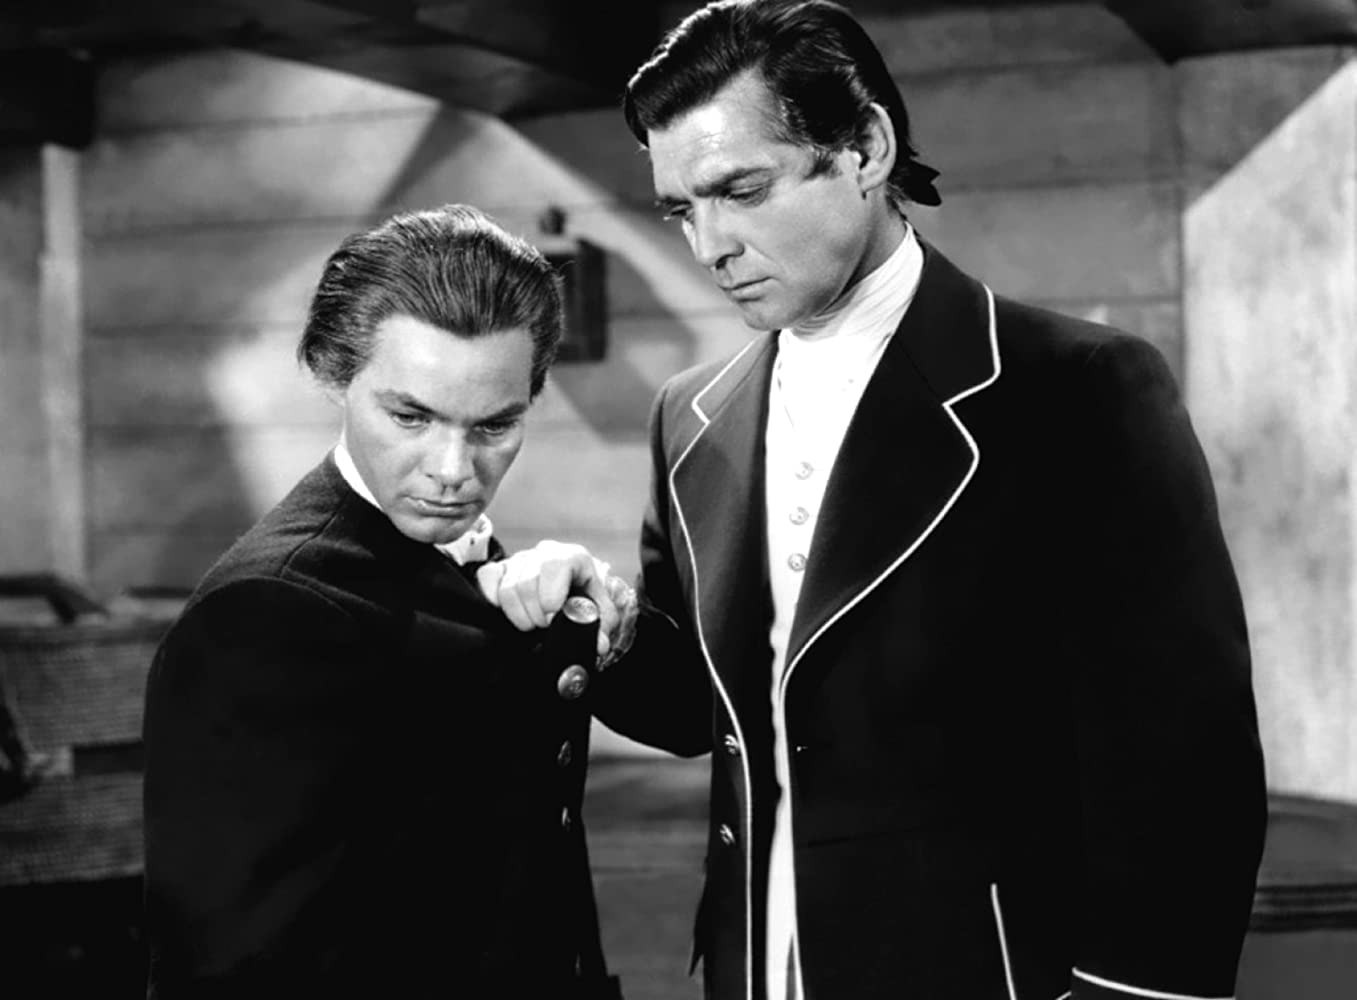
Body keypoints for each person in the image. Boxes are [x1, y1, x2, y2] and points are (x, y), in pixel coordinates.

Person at [479, 2, 1268, 999]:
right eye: (681, 210)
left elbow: (1184, 757)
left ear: (863, 150)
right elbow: (699, 708)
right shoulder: (689, 415)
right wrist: (602, 621)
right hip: (756, 961)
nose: (710, 245)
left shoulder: (1073, 388)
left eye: (741, 191)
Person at [142, 204, 622, 999]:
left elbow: (688, 719)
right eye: (410, 416)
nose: (452, 469)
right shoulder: (269, 610)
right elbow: (232, 964)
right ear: (336, 377)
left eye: (494, 426)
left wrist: (596, 609)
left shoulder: (471, 560)